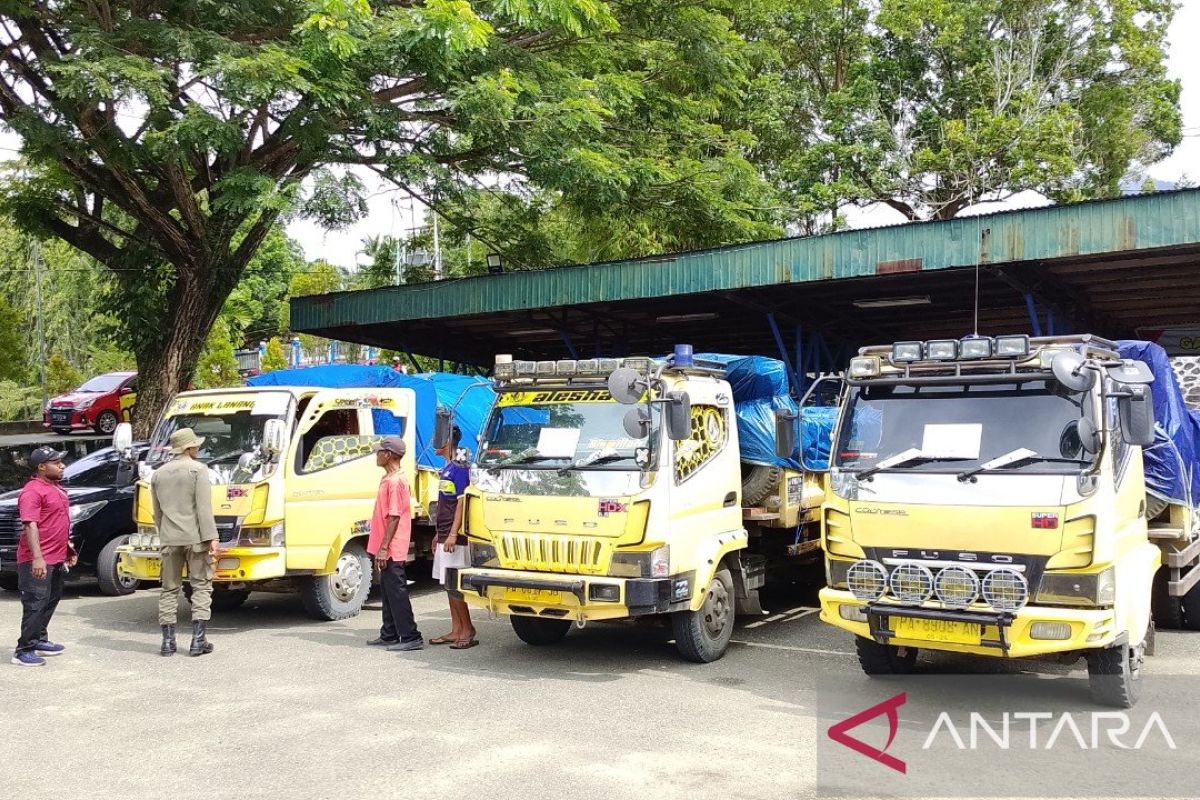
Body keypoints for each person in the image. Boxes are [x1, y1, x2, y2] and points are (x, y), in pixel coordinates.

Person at [152, 428, 219, 657]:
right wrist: (212, 538)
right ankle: (198, 641)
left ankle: (167, 642)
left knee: (169, 588)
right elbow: (203, 509)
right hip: (195, 538)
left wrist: (164, 536)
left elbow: (157, 513)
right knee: (201, 586)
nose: (198, 448)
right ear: (189, 448)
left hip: (169, 538)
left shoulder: (158, 474)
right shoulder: (198, 470)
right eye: (196, 445)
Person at [11, 447, 76, 667]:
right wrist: (37, 558)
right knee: (35, 603)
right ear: (41, 467)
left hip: (55, 557)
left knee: (51, 598)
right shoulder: (32, 491)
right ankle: (23, 650)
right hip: (38, 559)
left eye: (61, 462)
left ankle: (39, 639)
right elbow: (31, 525)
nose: (62, 466)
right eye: (56, 463)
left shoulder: (55, 488)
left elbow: (57, 522)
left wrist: (68, 548)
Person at [366, 436, 423, 652]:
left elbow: (394, 516)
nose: (377, 455)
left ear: (388, 455)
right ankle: (389, 634)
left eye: (379, 451)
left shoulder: (396, 481)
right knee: (388, 591)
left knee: (397, 592)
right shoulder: (389, 478)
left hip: (392, 546)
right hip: (386, 545)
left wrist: (383, 548)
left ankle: (411, 636)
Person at [429, 426, 477, 649]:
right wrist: (438, 534)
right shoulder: (447, 468)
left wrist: (452, 534)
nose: (433, 441)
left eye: (437, 437)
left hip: (454, 537)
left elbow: (461, 503)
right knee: (447, 584)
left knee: (454, 584)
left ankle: (467, 629)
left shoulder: (459, 468)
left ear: (448, 441)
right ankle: (456, 629)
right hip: (444, 533)